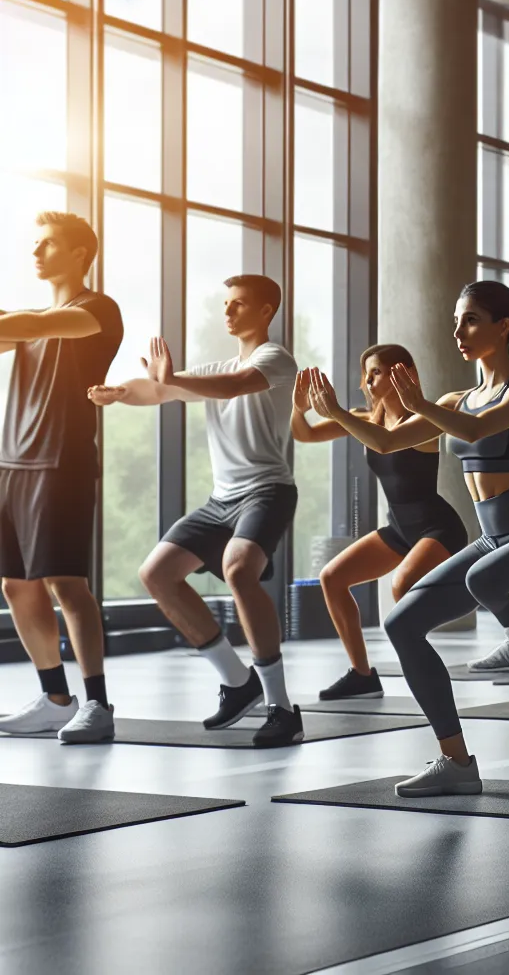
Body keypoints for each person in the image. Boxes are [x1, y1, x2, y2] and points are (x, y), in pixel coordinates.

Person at [316, 280, 509, 796]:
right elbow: (389, 439)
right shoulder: (454, 399)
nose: (458, 331)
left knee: (484, 575)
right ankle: (457, 761)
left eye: (470, 321)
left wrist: (420, 402)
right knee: (400, 625)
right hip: (493, 539)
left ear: (503, 327)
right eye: (456, 320)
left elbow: (475, 431)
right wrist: (335, 414)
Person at [90, 275, 303, 746]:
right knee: (157, 574)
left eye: (239, 305)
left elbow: (231, 387)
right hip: (221, 498)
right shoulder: (212, 367)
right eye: (225, 304)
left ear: (266, 311)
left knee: (238, 569)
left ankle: (282, 708)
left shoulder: (275, 358)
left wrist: (171, 380)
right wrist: (120, 392)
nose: (228, 313)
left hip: (267, 490)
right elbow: (161, 391)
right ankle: (236, 681)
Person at [0, 212, 123, 744]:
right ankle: (55, 698)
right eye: (35, 244)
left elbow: (29, 326)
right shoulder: (30, 317)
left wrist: (17, 319)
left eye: (48, 244)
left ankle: (97, 703)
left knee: (67, 584)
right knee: (16, 584)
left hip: (62, 460)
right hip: (13, 461)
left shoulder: (95, 309)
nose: (36, 253)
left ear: (80, 254)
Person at [289, 345, 470, 700]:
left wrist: (340, 413)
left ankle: (422, 667)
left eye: (377, 372)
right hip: (399, 530)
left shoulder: (425, 422)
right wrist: (299, 409)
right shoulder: (366, 418)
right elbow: (304, 434)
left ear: (402, 374)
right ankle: (362, 674)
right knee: (332, 578)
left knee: (401, 586)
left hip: (438, 528)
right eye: (366, 374)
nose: (368, 381)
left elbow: (385, 445)